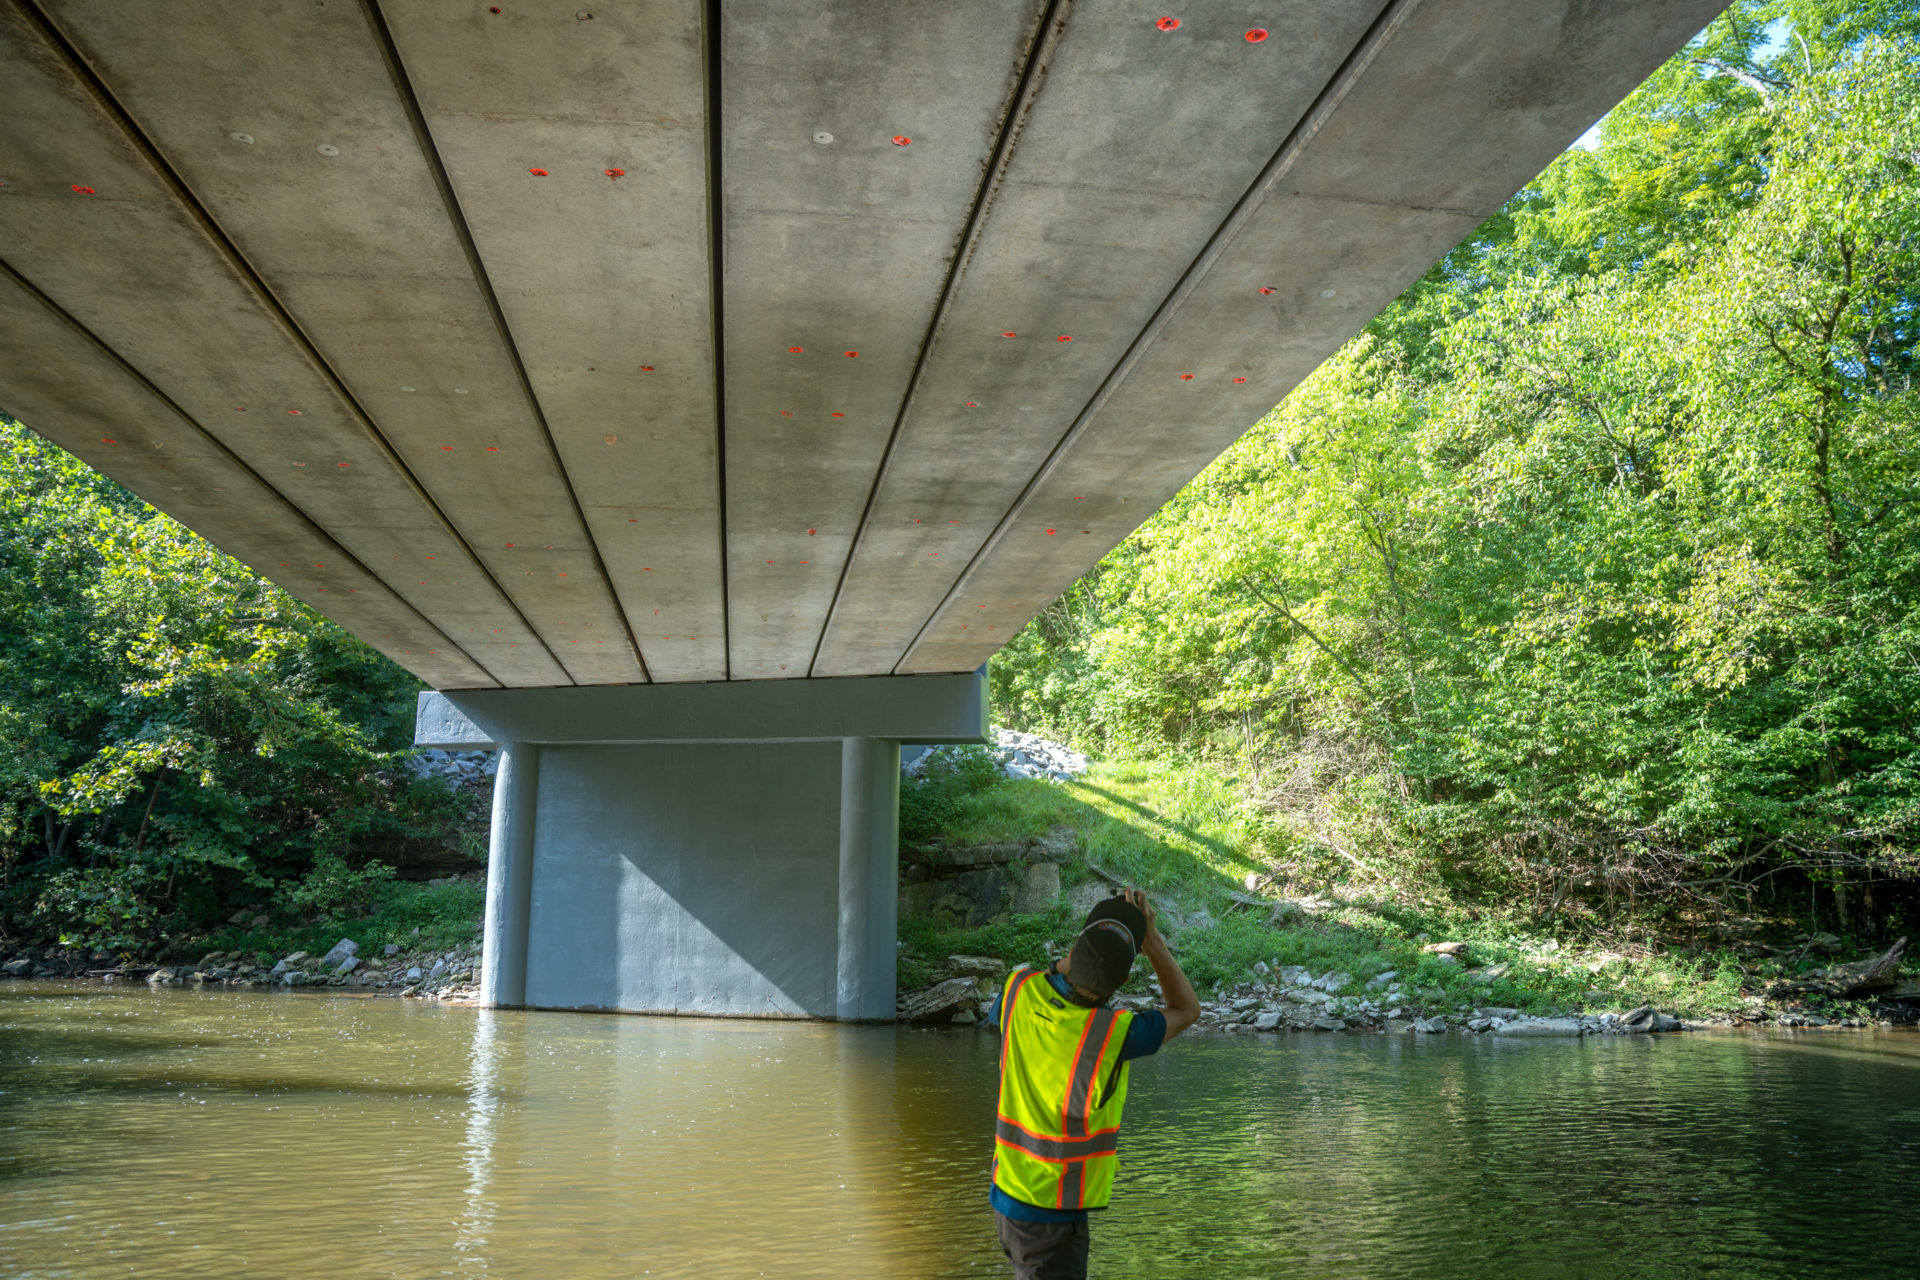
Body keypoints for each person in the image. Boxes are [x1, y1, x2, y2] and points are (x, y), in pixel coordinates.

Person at [983, 886, 1200, 1280]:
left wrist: (1075, 958)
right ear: (1125, 979)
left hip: (1007, 1198)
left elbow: (1045, 972)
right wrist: (1151, 942)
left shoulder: (1017, 992)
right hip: (1053, 1218)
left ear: (1074, 953)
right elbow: (1186, 1009)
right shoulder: (1115, 1035)